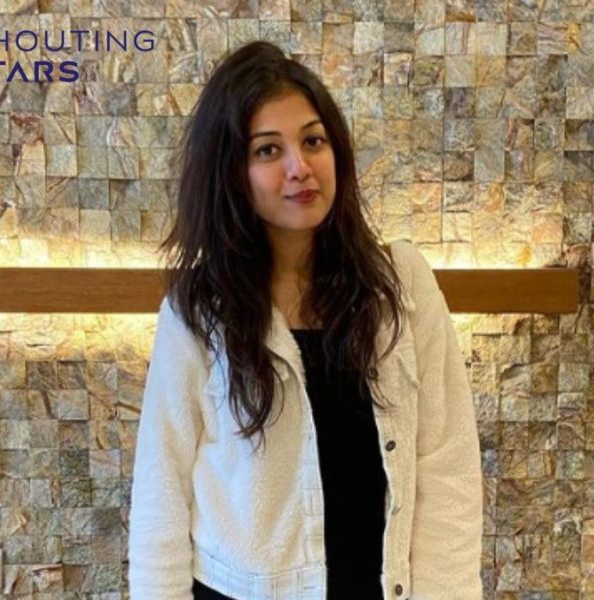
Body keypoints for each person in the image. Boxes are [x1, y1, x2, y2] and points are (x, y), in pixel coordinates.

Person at [127, 41, 483, 600]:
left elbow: (447, 466)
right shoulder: (198, 309)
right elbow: (161, 492)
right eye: (268, 150)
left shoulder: (400, 284)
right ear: (232, 171)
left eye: (313, 141)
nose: (300, 168)